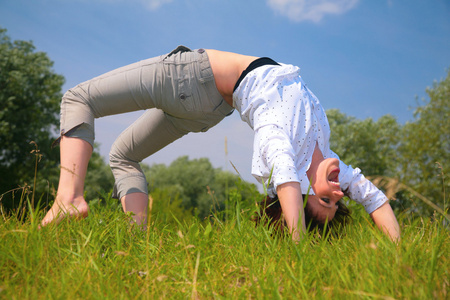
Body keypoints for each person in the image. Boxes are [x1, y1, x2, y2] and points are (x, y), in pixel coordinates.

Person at [41, 46, 400, 241]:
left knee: (78, 99)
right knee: (124, 156)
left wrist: (298, 244)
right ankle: (137, 241)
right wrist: (397, 254)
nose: (338, 194)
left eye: (325, 199)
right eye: (338, 201)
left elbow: (286, 180)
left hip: (192, 81)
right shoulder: (329, 158)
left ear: (302, 189)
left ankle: (68, 198)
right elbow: (375, 199)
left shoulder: (282, 145)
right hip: (206, 108)